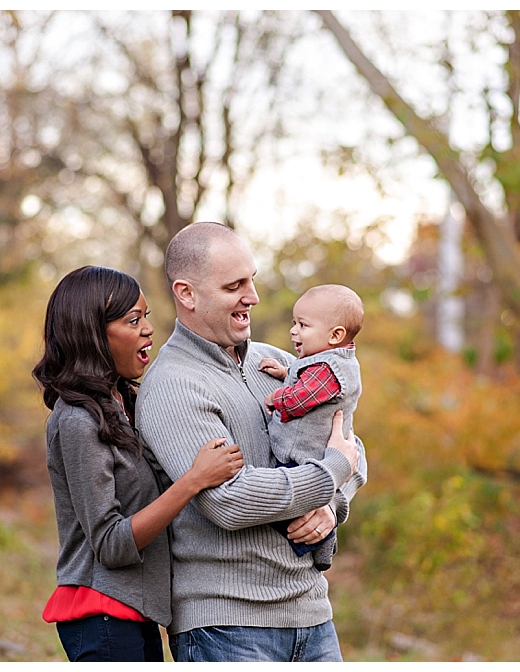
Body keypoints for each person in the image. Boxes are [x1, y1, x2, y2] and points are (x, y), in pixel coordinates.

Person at [136, 222, 367, 662]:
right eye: (234, 286)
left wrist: (330, 503)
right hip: (228, 627)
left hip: (313, 616)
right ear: (187, 294)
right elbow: (230, 502)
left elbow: (351, 449)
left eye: (252, 280)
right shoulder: (173, 386)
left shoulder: (281, 363)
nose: (252, 297)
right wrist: (330, 474)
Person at [32, 265, 244, 662]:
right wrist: (193, 481)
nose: (148, 329)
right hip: (102, 615)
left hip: (135, 613)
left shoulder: (126, 405)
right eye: (133, 320)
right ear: (93, 334)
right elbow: (111, 543)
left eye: (145, 316)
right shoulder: (77, 419)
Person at [257, 283, 364, 572]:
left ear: (335, 335)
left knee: (296, 515)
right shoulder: (322, 361)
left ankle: (321, 549)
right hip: (314, 456)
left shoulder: (331, 369)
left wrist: (275, 397)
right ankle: (320, 544)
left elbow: (302, 398)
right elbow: (305, 380)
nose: (294, 331)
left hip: (308, 456)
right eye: (294, 323)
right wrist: (284, 372)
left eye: (303, 325)